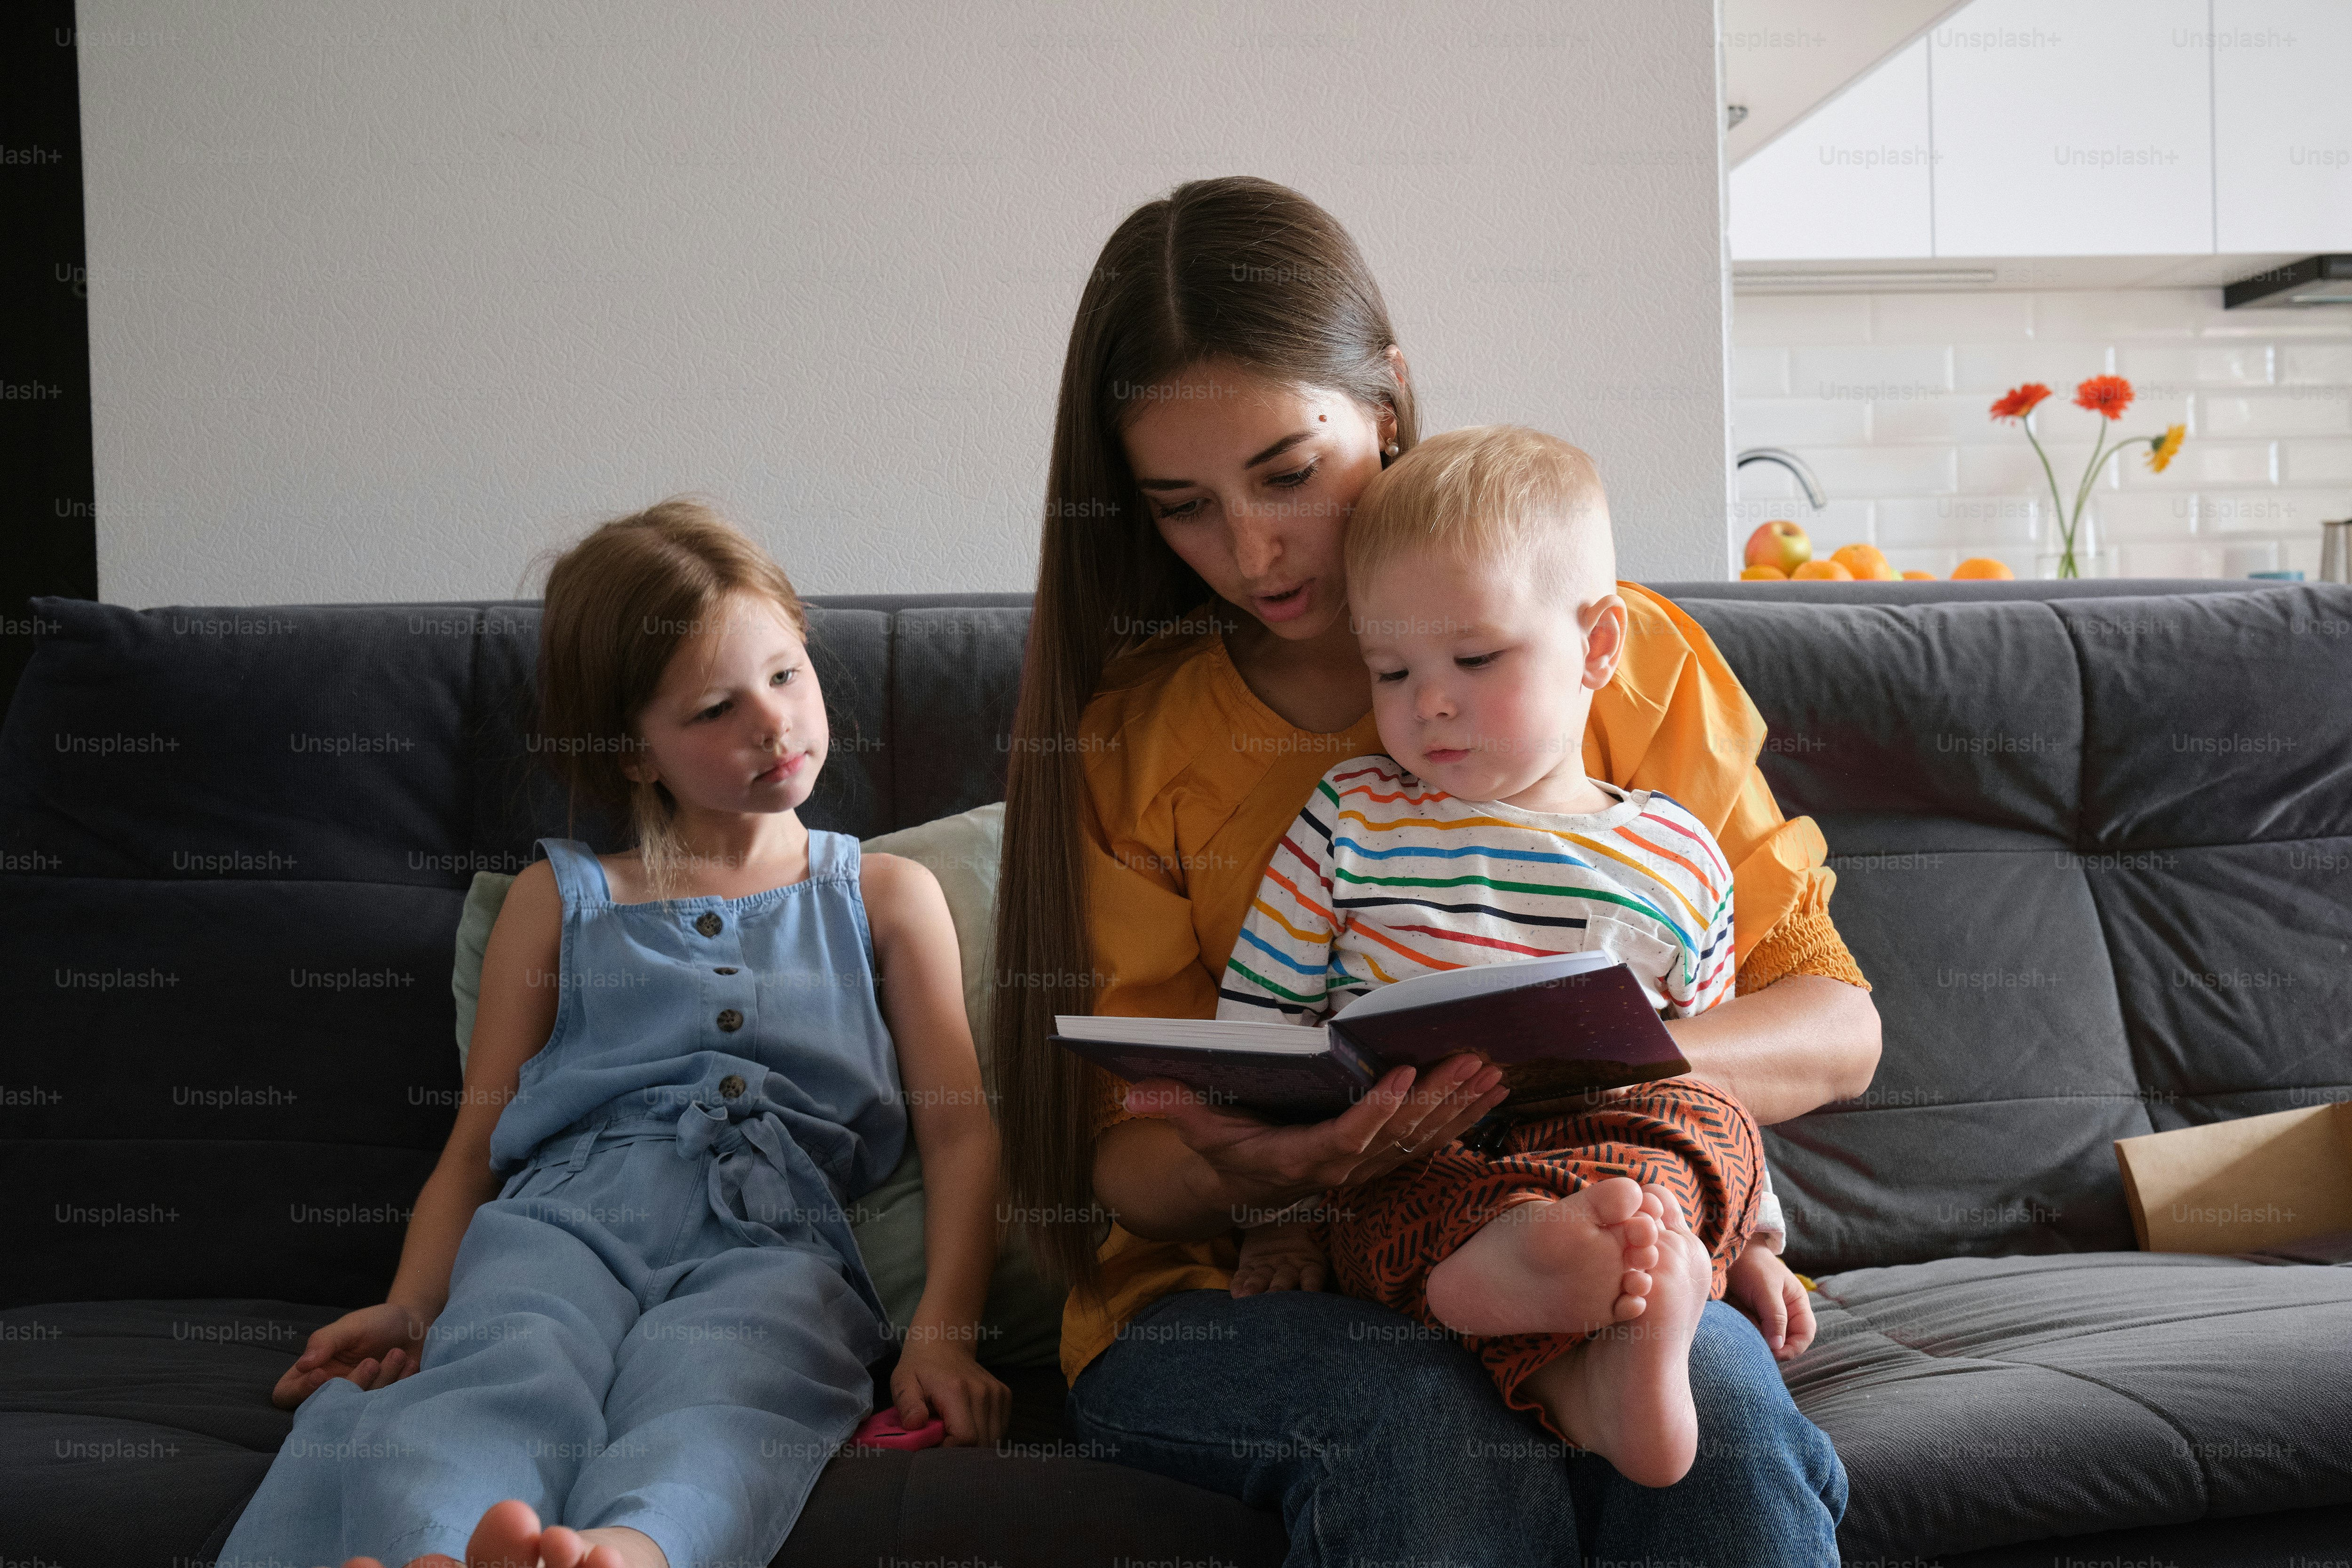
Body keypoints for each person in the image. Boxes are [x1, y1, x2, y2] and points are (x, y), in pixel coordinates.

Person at [991, 176, 1874, 1566]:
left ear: (1386, 405)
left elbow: (1833, 1017)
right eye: (1186, 506)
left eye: (1289, 471)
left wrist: (1598, 1097)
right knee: (1419, 1416)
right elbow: (1131, 1160)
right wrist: (1288, 1157)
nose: (1255, 548)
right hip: (1229, 1289)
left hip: (1587, 1206)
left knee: (1720, 1424)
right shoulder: (1140, 733)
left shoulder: (1611, 647)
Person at [227, 501, 1009, 1568]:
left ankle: (629, 1552)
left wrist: (942, 1331)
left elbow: (961, 1135)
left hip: (773, 1235)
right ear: (634, 753)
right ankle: (437, 1549)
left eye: (786, 675)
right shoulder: (562, 899)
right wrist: (413, 1304)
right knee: (504, 1367)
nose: (772, 725)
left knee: (735, 1389)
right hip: (564, 1214)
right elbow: (475, 1143)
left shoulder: (883, 893)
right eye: (714, 709)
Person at [1214, 423, 1788, 1488]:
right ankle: (1536, 1287)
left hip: (1618, 1157)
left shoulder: (1675, 849)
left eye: (1474, 659)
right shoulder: (1351, 818)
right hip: (1425, 1153)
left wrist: (1747, 1238)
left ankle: (1609, 1341)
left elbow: (1712, 1070)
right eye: (1390, 669)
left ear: (1599, 647)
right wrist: (1277, 1221)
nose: (1429, 700)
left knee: (1696, 1116)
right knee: (1405, 1191)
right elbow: (1262, 1041)